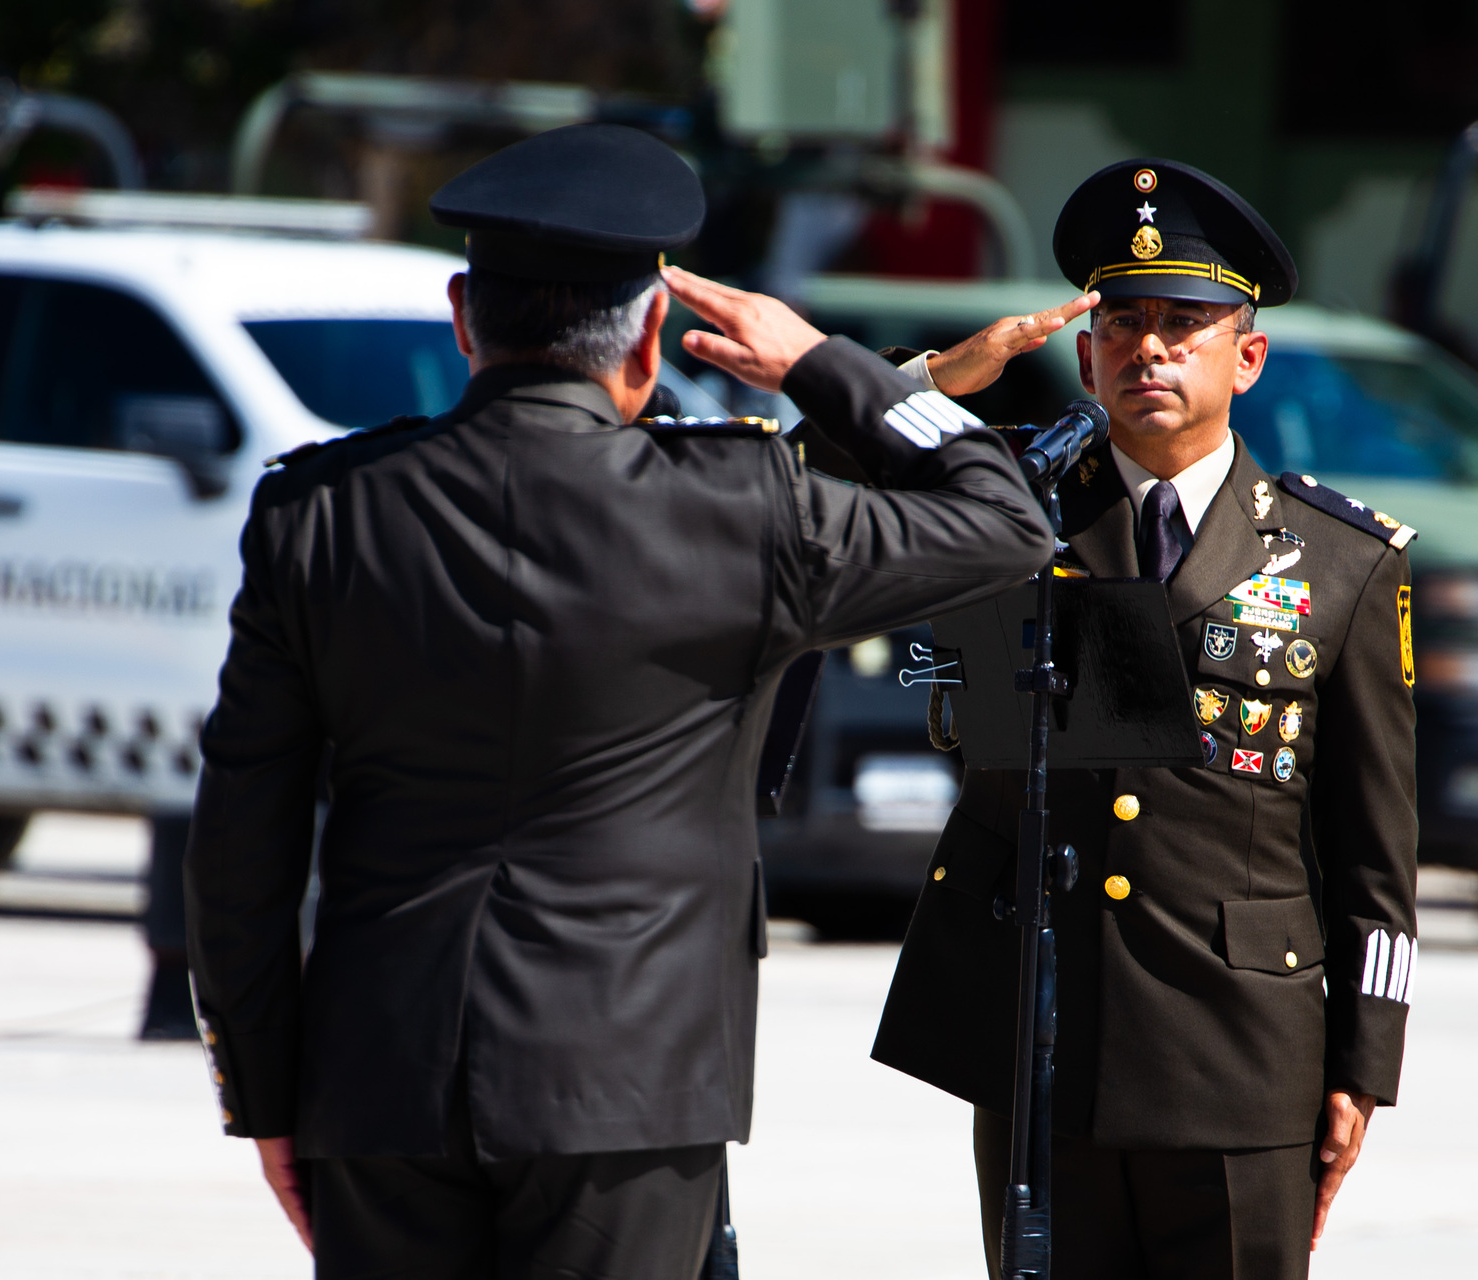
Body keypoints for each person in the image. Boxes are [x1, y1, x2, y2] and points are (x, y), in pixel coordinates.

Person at [183, 122, 1054, 1279]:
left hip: (377, 1077)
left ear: (462, 316)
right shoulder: (742, 507)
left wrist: (263, 1091)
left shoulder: (317, 511)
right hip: (629, 1084)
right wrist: (822, 362)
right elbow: (1005, 522)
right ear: (650, 334)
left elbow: (238, 841)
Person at [871, 159, 1420, 1280]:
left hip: (1239, 1056)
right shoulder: (1007, 500)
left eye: (1183, 325)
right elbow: (821, 470)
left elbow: (1376, 849)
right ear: (1085, 356)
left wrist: (1364, 1064)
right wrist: (943, 376)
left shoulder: (1340, 561)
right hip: (1042, 1042)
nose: (1149, 350)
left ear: (1246, 357)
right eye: (1121, 325)